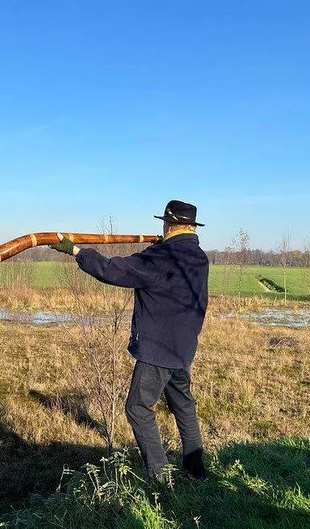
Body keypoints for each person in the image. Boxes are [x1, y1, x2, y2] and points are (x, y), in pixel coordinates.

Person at [49, 200, 209, 482]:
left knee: (137, 408)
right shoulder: (198, 257)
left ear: (168, 225)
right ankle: (197, 472)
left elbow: (114, 270)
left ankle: (159, 480)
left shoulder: (161, 257)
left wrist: (75, 251)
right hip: (183, 347)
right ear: (191, 227)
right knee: (184, 405)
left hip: (158, 350)